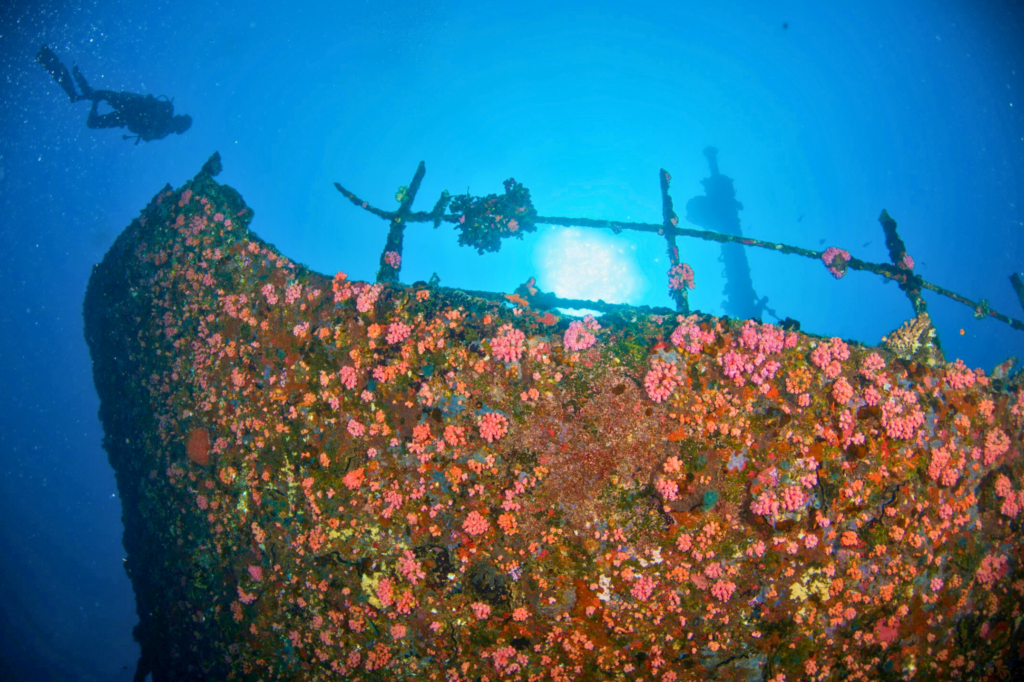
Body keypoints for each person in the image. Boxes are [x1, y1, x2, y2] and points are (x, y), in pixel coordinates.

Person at [36, 44, 191, 144]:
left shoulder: (163, 130)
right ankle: (71, 81)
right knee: (95, 97)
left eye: (180, 124)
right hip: (128, 104)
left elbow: (146, 134)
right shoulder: (167, 110)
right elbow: (148, 103)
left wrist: (151, 125)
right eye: (180, 122)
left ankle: (76, 87)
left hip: (126, 114)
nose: (177, 123)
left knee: (93, 117)